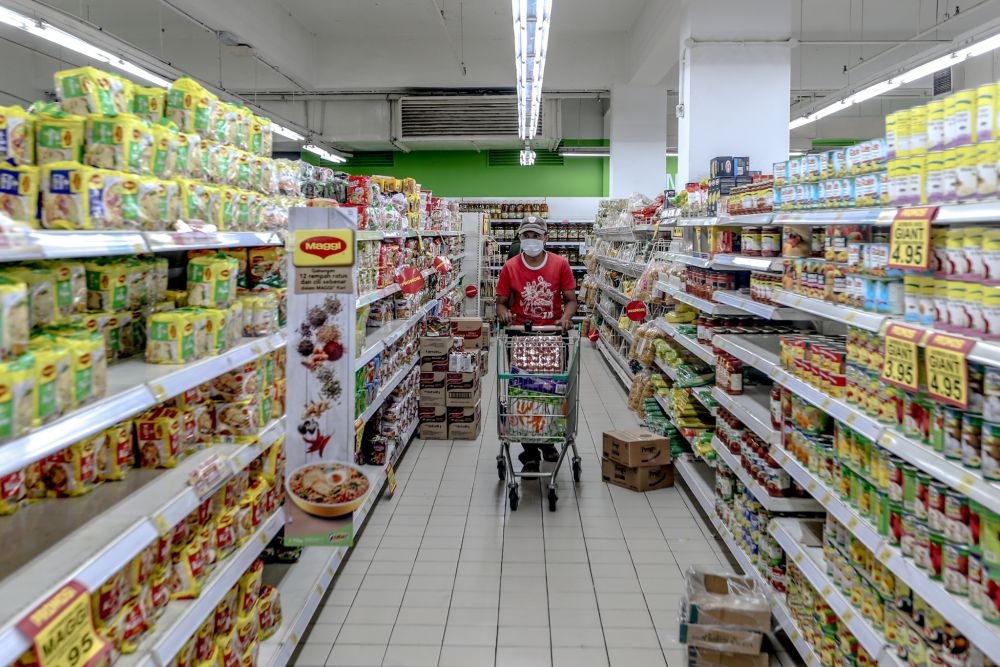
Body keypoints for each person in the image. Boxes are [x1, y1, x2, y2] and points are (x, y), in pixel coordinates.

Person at [496, 216, 578, 472]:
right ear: (520, 239)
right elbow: (500, 302)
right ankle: (530, 450)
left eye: (535, 235)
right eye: (526, 235)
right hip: (522, 339)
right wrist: (504, 313)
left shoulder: (560, 264)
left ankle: (548, 441)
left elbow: (571, 300)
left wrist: (565, 318)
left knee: (551, 391)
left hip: (553, 339)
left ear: (545, 238)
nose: (531, 240)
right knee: (524, 392)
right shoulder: (510, 266)